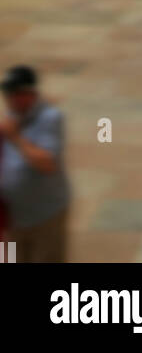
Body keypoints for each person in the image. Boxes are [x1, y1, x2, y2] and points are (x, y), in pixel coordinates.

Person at [0, 65, 70, 263]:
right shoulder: (11, 117)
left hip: (44, 220)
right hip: (12, 222)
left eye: (14, 93)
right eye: (7, 93)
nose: (9, 99)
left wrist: (15, 137)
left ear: (30, 93)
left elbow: (47, 163)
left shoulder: (50, 118)